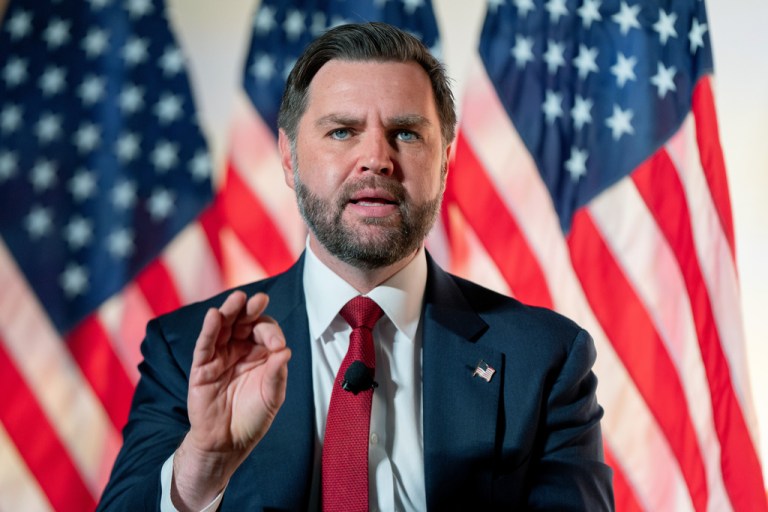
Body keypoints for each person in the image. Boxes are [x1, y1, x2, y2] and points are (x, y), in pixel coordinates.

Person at [98, 22, 614, 511]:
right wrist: (203, 463)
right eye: (343, 131)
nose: (376, 159)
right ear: (288, 157)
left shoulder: (545, 360)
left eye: (406, 133)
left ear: (444, 161)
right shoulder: (188, 351)